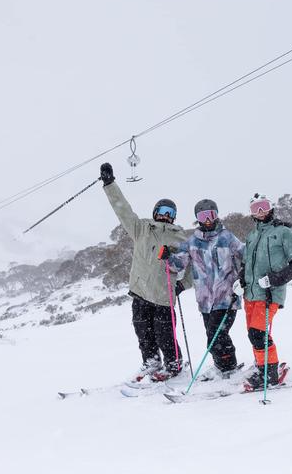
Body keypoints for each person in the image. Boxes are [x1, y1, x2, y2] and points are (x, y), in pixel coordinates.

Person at [100, 162, 191, 381]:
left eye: (170, 213)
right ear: (155, 212)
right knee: (143, 332)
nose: (166, 216)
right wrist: (110, 184)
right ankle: (151, 362)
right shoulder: (141, 228)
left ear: (174, 217)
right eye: (162, 211)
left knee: (164, 334)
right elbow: (123, 210)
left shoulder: (180, 237)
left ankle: (173, 363)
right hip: (140, 290)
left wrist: (183, 284)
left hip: (163, 295)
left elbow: (193, 264)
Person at [159, 199, 245, 380]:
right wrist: (168, 257)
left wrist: (243, 275)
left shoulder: (227, 237)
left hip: (227, 297)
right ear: (197, 218)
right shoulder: (192, 242)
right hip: (205, 301)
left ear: (216, 215)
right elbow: (178, 265)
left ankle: (229, 368)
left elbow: (245, 255)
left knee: (217, 335)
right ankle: (221, 367)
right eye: (202, 216)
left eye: (211, 215)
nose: (207, 220)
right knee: (212, 335)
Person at [234, 193, 292, 389]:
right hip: (250, 293)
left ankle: (270, 373)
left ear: (271, 207)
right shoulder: (252, 235)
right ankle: (262, 366)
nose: (260, 211)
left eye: (263, 206)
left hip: (270, 293)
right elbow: (247, 263)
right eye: (256, 208)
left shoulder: (283, 232)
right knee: (254, 334)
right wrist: (241, 280)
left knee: (259, 333)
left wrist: (274, 279)